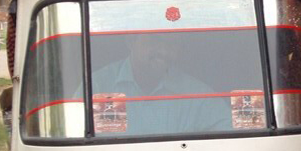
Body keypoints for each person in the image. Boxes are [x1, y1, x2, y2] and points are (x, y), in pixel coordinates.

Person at [91, 32, 232, 135]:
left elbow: (231, 138)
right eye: (155, 39)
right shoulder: (98, 86)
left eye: (173, 44)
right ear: (131, 41)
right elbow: (77, 140)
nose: (165, 51)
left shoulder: (198, 95)